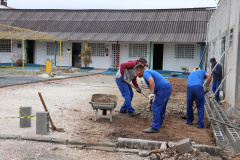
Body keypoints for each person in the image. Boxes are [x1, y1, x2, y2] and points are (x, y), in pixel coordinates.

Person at [134, 64, 172, 133]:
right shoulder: (147, 72)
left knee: (156, 106)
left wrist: (151, 93)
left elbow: (151, 80)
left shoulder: (145, 73)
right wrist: (151, 98)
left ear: (139, 70)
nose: (136, 75)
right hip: (166, 88)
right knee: (161, 107)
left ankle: (155, 127)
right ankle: (158, 124)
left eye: (136, 72)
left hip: (164, 89)